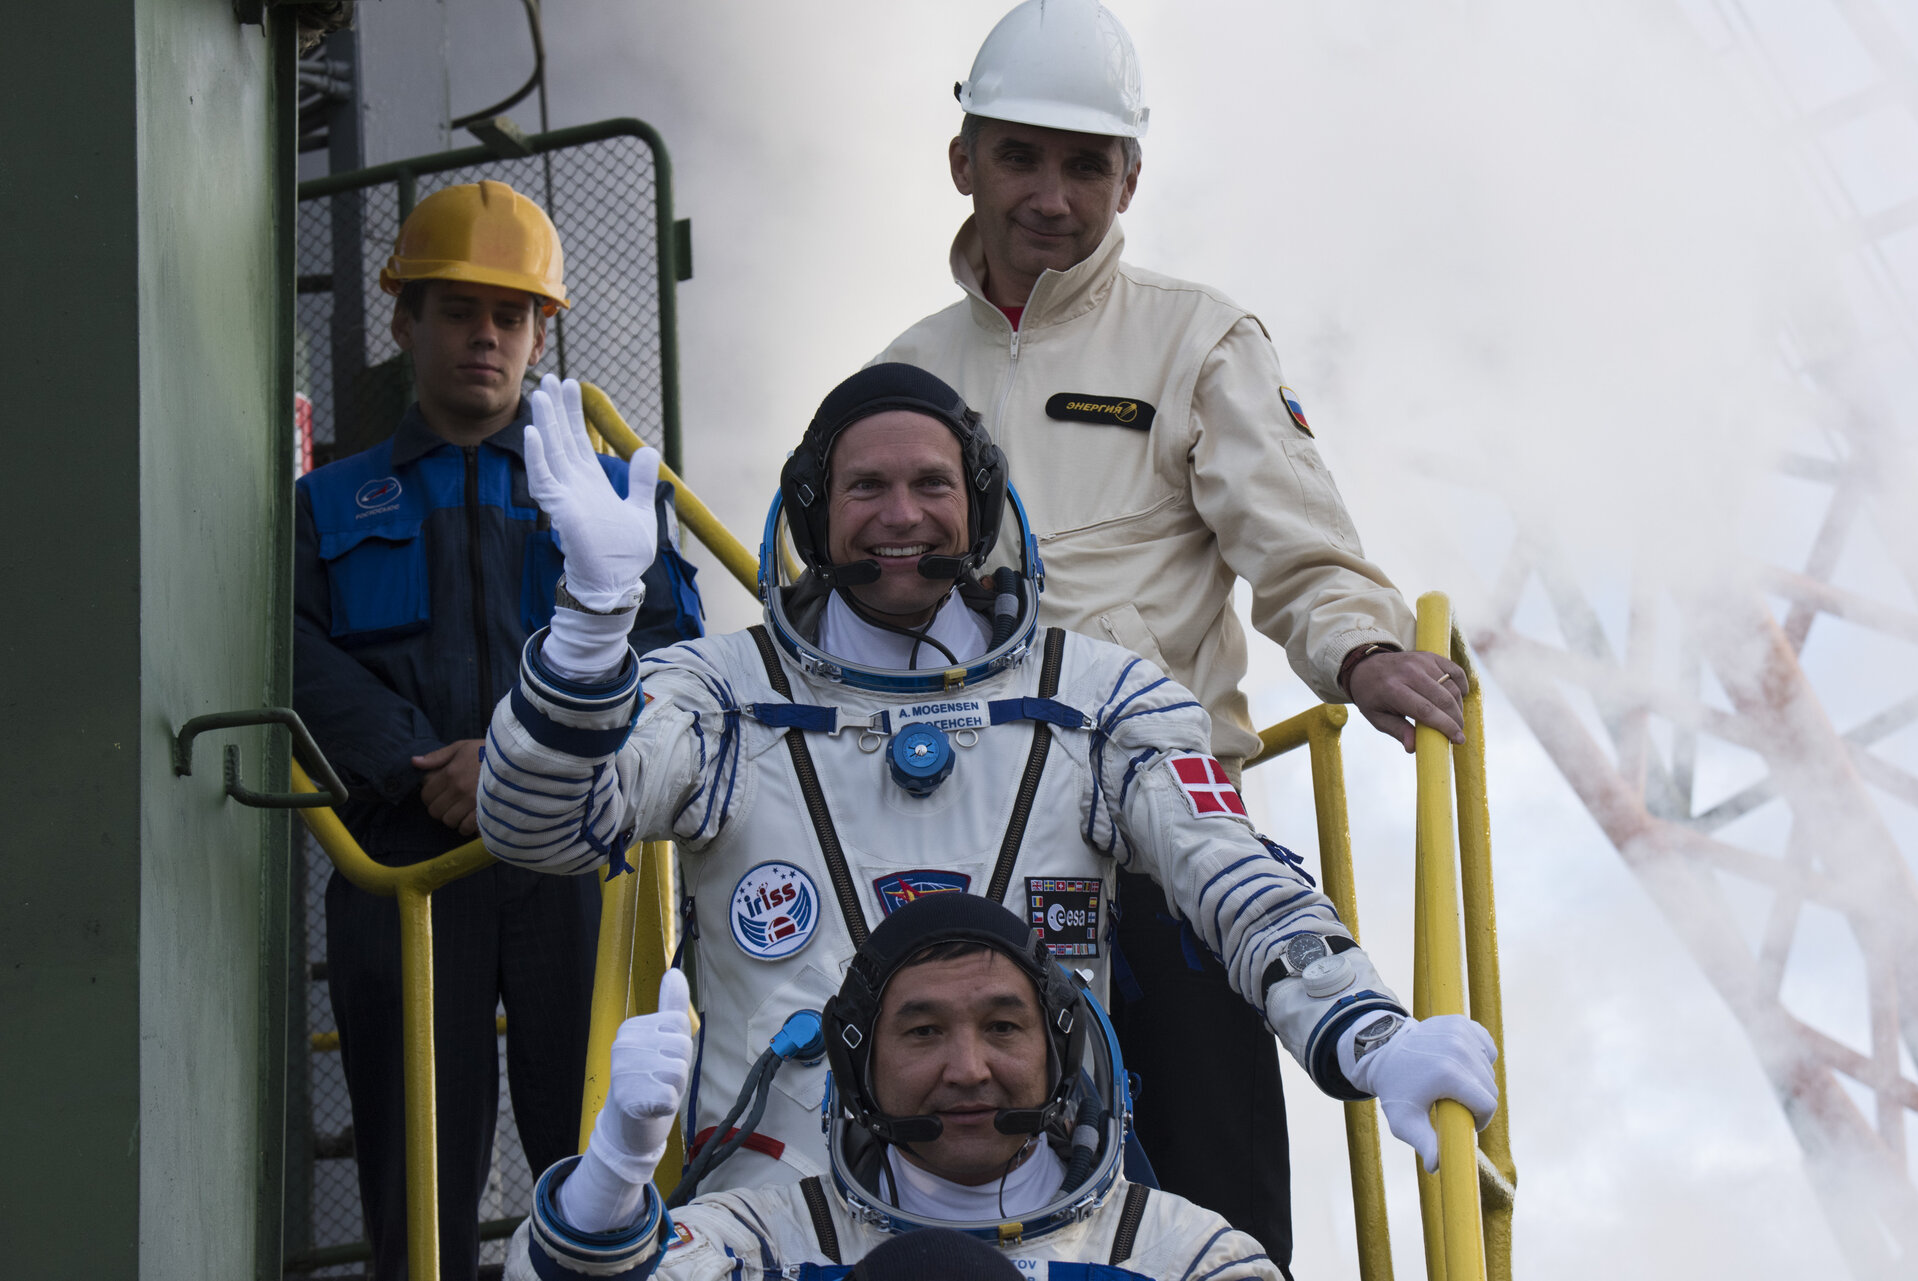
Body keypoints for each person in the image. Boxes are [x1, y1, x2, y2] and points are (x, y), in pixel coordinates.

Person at [474, 361, 1493, 1212]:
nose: (900, 517)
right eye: (866, 489)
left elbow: (1234, 881)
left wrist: (1371, 1036)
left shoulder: (1097, 695)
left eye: (932, 485)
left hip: (1043, 1204)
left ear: (983, 505)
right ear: (816, 510)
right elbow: (543, 825)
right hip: (783, 1214)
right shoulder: (720, 695)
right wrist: (591, 625)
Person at [872, 3, 1470, 1262]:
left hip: (1166, 852)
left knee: (1212, 1197)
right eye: (1021, 157)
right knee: (960, 1224)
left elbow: (1296, 542)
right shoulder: (903, 380)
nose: (1051, 195)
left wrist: (1362, 649)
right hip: (960, 863)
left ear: (1129, 177)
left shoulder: (1195, 337)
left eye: (1085, 165)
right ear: (962, 161)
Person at [293, 178, 704, 1280]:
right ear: (403, 321)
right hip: (403, 860)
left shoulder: (611, 494)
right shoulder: (325, 508)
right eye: (458, 310)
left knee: (610, 1159)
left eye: (510, 315)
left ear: (540, 332)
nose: (487, 336)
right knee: (415, 1178)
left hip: (578, 862)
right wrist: (420, 763)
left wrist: (513, 763)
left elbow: (672, 654)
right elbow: (289, 653)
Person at [501, 895, 1496, 1280]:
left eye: (1004, 1028)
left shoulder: (1184, 1254)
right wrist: (617, 1176)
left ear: (1058, 1057)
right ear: (860, 1070)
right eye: (923, 1031)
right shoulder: (771, 1234)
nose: (968, 1068)